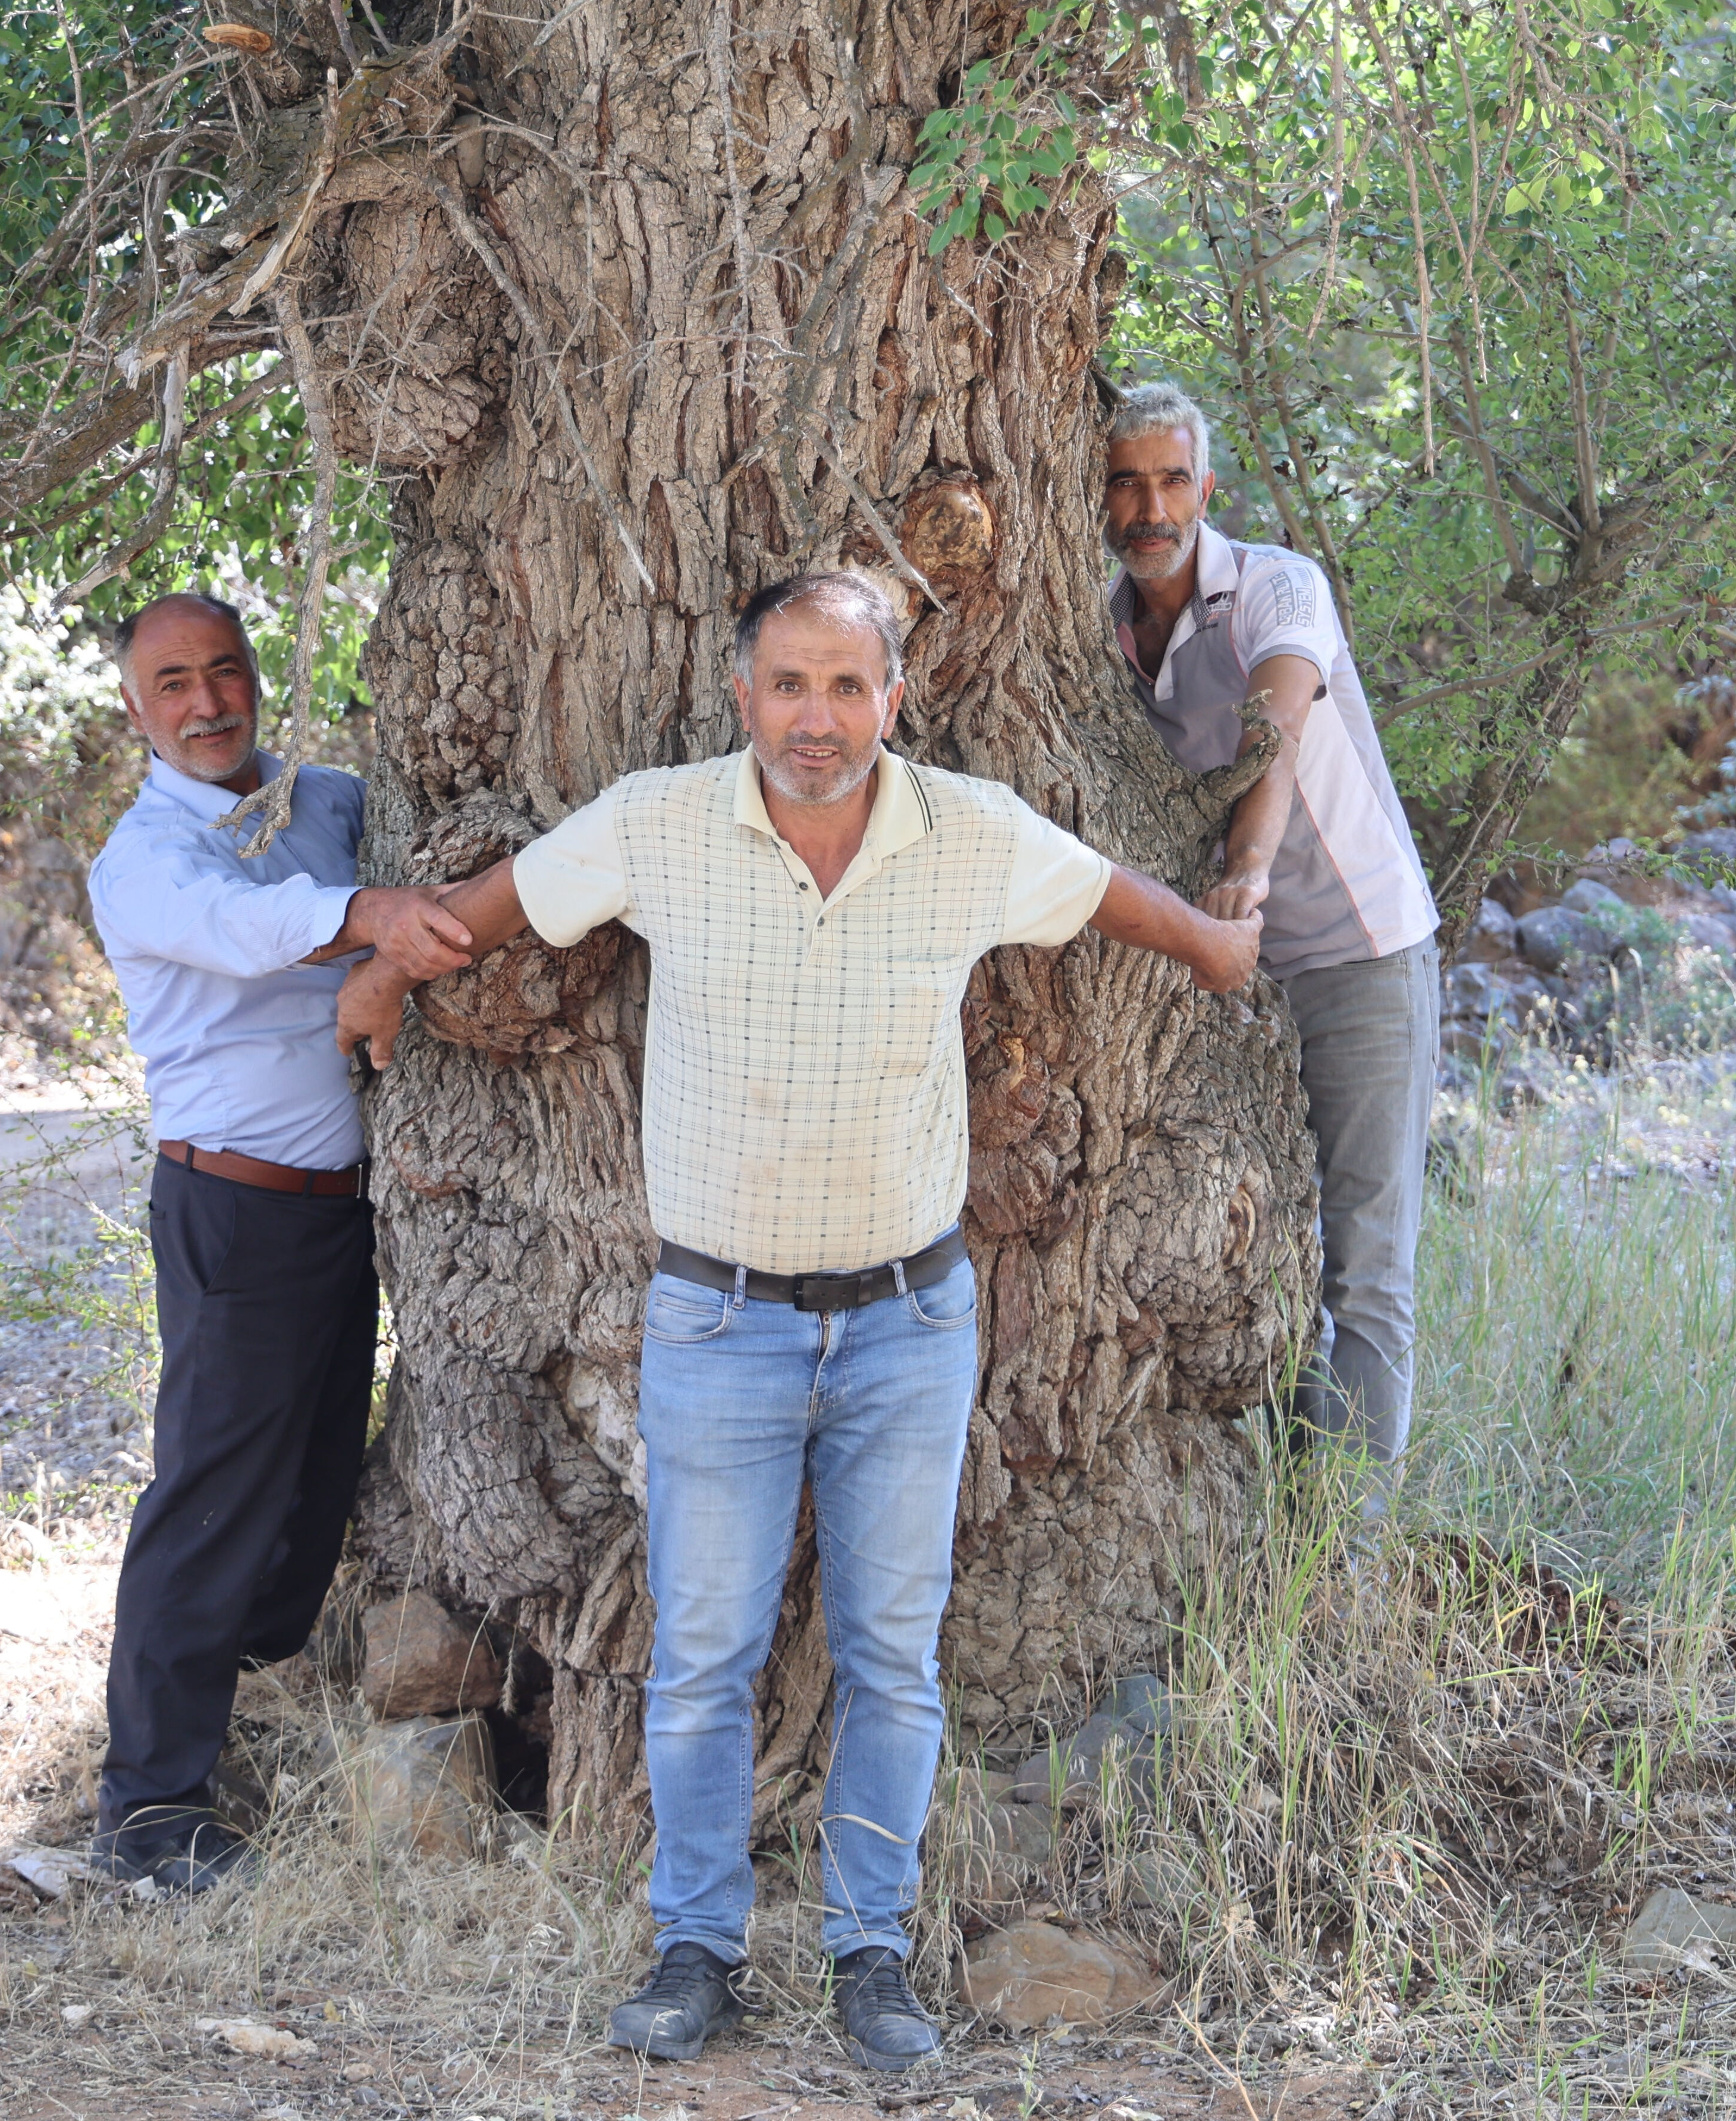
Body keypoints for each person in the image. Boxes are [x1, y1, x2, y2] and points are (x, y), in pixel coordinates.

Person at [332, 570, 1259, 2072]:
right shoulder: (659, 821)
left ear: (894, 698)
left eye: (845, 689)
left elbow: (1105, 892)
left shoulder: (966, 833)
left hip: (907, 1323)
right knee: (704, 1652)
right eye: (787, 687)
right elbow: (498, 908)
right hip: (717, 1321)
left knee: (893, 1654)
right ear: (743, 693)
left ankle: (867, 1950)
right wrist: (381, 973)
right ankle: (693, 1943)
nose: (814, 721)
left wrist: (1215, 949)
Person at [83, 590, 476, 1892]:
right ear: (134, 710)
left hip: (341, 1215)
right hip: (234, 1212)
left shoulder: (327, 799)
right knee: (206, 1501)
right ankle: (148, 1810)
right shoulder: (143, 860)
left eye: (225, 671)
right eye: (174, 684)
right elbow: (247, 929)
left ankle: (242, 1693)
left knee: (310, 1494)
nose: (206, 703)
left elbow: (411, 879)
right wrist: (368, 922)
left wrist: (391, 939)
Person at [1099, 383, 1442, 1511]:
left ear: (1209, 490)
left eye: (1172, 481)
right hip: (1223, 975)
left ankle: (1343, 1555)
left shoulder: (1276, 585)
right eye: (1126, 482)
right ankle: (1267, 1514)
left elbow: (1276, 737)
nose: (1151, 507)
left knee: (1366, 1265)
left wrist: (1242, 883)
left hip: (1353, 957)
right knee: (1253, 1242)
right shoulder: (1097, 621)